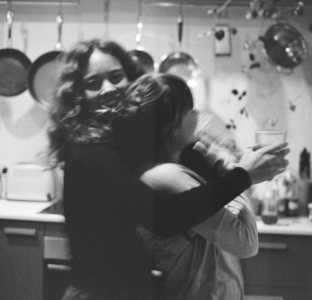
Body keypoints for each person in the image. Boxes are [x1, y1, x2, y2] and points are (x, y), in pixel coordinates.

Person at [47, 38, 289, 300]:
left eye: (117, 76)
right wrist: (242, 175)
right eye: (93, 83)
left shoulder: (123, 147)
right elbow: (164, 216)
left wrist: (218, 159)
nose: (108, 89)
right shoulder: (89, 156)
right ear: (77, 96)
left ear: (131, 79)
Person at [125, 73, 264, 300]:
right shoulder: (168, 177)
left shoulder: (173, 168)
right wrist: (237, 170)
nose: (197, 115)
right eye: (189, 110)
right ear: (171, 127)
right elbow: (246, 242)